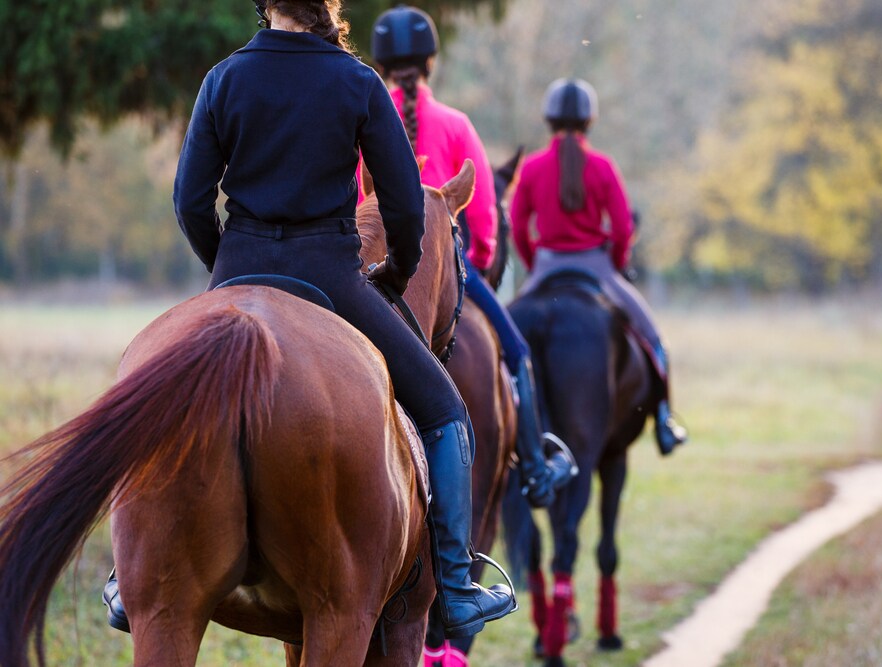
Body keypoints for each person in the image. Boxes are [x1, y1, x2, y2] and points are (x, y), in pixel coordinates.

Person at [101, 0, 515, 640]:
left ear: (264, 5)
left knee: (139, 391)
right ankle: (457, 589)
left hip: (236, 268)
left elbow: (189, 200)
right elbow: (405, 208)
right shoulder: (356, 81)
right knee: (444, 410)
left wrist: (228, 272)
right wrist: (397, 276)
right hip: (331, 277)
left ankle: (128, 576)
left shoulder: (225, 78)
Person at [369, 6, 572, 508]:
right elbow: (482, 215)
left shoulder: (365, 118)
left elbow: (358, 203)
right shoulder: (457, 124)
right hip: (447, 261)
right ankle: (537, 468)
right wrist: (476, 259)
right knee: (517, 352)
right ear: (430, 63)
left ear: (383, 66)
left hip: (372, 268)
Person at [510, 78, 688, 455]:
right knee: (654, 341)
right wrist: (615, 266)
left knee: (503, 340)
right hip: (598, 267)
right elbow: (622, 229)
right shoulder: (603, 167)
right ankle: (665, 421)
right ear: (590, 121)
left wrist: (534, 264)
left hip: (545, 266)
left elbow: (518, 226)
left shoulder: (532, 168)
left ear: (549, 120)